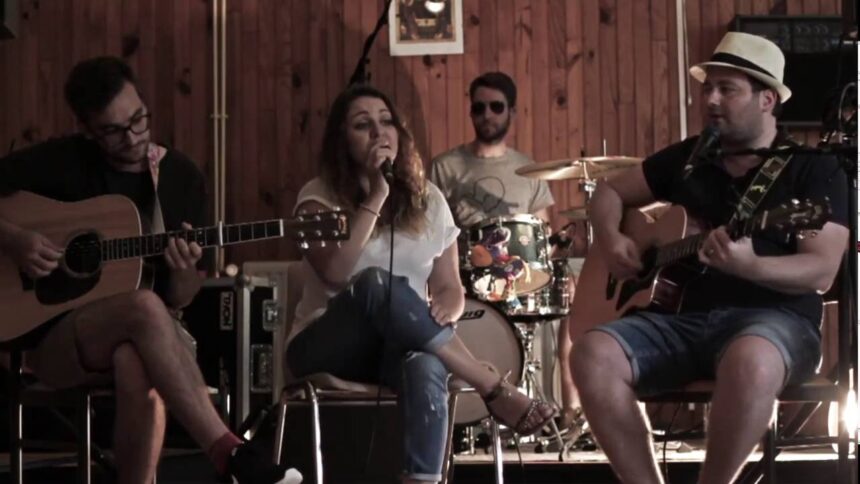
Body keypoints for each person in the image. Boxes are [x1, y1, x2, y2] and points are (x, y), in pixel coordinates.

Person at [0, 57, 299, 484]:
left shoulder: (179, 178)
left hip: (152, 337)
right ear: (87, 129)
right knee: (141, 306)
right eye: (114, 131)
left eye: (138, 118)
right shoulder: (63, 161)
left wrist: (184, 266)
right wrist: (15, 239)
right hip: (53, 340)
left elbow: (181, 297)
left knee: (134, 359)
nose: (134, 136)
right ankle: (230, 452)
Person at [571, 32, 848, 484]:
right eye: (708, 88)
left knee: (751, 361)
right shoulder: (690, 158)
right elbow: (607, 192)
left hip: (773, 322)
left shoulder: (814, 169)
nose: (711, 99)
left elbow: (820, 270)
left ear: (767, 100)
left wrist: (750, 266)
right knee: (591, 354)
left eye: (727, 89)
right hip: (678, 321)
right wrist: (610, 238)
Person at [285, 84, 556, 484]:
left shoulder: (428, 199)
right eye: (362, 125)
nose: (379, 133)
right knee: (375, 282)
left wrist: (448, 307)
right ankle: (490, 385)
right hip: (325, 347)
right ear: (342, 140)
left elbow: (449, 287)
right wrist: (377, 195)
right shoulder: (317, 196)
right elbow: (336, 273)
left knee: (427, 364)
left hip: (397, 347)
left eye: (386, 122)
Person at [429, 72, 583, 430]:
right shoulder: (445, 167)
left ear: (511, 111)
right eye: (479, 107)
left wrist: (556, 252)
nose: (487, 114)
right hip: (463, 277)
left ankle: (572, 411)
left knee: (575, 288)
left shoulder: (529, 171)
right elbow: (428, 229)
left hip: (518, 276)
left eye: (496, 107)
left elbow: (543, 238)